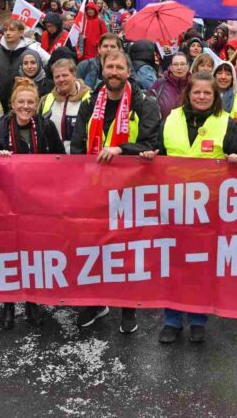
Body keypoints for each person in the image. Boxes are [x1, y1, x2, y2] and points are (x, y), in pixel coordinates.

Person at [140, 73, 237, 343]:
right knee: (173, 265)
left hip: (208, 211)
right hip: (173, 207)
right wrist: (151, 154)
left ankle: (199, 319)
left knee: (201, 267)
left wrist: (236, 158)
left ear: (215, 96)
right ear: (188, 94)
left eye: (207, 93)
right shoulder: (171, 119)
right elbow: (156, 148)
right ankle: (172, 320)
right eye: (197, 92)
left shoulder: (226, 122)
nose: (201, 97)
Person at [70, 50, 161, 334]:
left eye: (119, 67)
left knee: (126, 251)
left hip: (129, 191)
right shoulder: (89, 102)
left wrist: (122, 149)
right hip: (94, 189)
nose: (114, 72)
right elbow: (78, 145)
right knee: (93, 248)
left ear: (128, 71)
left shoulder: (144, 103)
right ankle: (96, 302)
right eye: (109, 66)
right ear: (102, 69)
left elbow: (152, 143)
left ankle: (128, 306)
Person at [0, 77, 65, 329]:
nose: (26, 106)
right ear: (12, 103)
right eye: (21, 102)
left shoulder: (46, 126)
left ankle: (32, 302)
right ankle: (8, 304)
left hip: (37, 202)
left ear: (37, 104)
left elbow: (61, 159)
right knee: (8, 254)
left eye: (30, 102)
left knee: (34, 253)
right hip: (7, 203)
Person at [0, 18, 51, 110]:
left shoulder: (31, 53)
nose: (7, 33)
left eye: (12, 30)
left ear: (21, 32)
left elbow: (49, 63)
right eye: (5, 30)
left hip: (24, 104)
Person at [40, 58, 91, 151]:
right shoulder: (45, 100)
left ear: (74, 75)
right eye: (57, 77)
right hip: (53, 156)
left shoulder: (90, 98)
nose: (61, 79)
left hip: (81, 155)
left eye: (65, 75)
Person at [149, 52, 192, 119]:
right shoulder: (160, 84)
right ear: (170, 67)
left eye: (182, 64)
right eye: (175, 64)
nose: (179, 67)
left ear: (188, 66)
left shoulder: (194, 84)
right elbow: (149, 107)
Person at [213, 61, 237, 131]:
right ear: (214, 76)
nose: (223, 77)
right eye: (219, 73)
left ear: (233, 78)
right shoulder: (206, 97)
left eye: (228, 74)